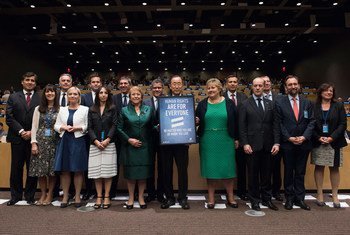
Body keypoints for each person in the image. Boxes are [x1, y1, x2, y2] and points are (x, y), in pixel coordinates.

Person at [196, 78, 239, 209]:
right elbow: (197, 122)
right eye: (208, 88)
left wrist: (236, 138)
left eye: (213, 87)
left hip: (226, 139)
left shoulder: (230, 103)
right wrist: (196, 121)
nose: (210, 90)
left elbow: (235, 122)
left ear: (220, 89)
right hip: (208, 140)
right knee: (211, 170)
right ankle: (211, 198)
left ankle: (230, 197)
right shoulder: (202, 104)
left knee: (228, 169)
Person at [239, 77, 280, 211]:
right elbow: (242, 126)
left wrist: (277, 142)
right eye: (255, 86)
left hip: (268, 145)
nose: (257, 88)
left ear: (264, 87)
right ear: (252, 87)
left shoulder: (271, 103)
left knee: (267, 175)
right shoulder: (245, 104)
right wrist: (245, 143)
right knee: (252, 175)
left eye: (260, 86)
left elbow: (275, 125)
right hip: (252, 145)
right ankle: (254, 200)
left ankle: (267, 199)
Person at [275, 75, 315, 210]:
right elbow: (279, 123)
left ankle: (300, 199)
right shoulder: (280, 102)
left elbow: (312, 122)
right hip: (288, 144)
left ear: (299, 86)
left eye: (295, 84)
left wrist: (304, 137)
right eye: (290, 84)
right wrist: (289, 138)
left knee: (300, 172)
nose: (293, 86)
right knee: (288, 172)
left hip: (304, 143)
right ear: (286, 87)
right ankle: (289, 199)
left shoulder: (307, 103)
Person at [6, 72, 40, 206]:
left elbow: (41, 118)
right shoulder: (13, 97)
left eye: (32, 80)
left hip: (34, 138)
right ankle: (15, 196)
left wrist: (31, 132)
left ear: (35, 83)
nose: (30, 82)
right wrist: (21, 131)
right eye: (27, 80)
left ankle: (30, 196)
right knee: (16, 168)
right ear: (22, 82)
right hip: (17, 137)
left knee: (32, 168)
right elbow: (9, 117)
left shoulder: (40, 97)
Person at [117, 86, 154, 209]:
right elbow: (119, 128)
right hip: (130, 147)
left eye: (138, 94)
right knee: (131, 175)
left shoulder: (149, 109)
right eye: (133, 94)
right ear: (130, 97)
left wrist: (162, 128)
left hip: (145, 147)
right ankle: (131, 197)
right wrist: (129, 139)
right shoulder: (123, 110)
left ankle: (141, 197)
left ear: (142, 96)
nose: (136, 96)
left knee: (143, 175)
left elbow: (153, 126)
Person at [311, 83, 347, 208]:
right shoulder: (314, 106)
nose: (329, 93)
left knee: (334, 168)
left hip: (335, 142)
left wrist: (332, 138)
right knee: (319, 167)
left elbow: (343, 124)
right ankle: (320, 194)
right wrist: (317, 137)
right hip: (318, 141)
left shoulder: (338, 105)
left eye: (331, 91)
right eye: (326, 91)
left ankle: (335, 195)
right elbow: (310, 124)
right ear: (320, 92)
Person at [54, 86, 89, 208]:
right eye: (70, 94)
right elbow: (56, 126)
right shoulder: (62, 110)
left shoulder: (85, 109)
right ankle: (65, 196)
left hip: (78, 140)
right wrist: (63, 127)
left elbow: (87, 126)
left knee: (78, 170)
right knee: (65, 170)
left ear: (79, 96)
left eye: (75, 94)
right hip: (65, 140)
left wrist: (78, 128)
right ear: (67, 96)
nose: (73, 96)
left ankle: (78, 195)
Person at [160, 75, 190, 210]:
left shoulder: (188, 101)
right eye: (174, 84)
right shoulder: (164, 101)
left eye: (179, 83)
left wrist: (195, 122)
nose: (177, 86)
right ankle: (170, 198)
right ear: (170, 86)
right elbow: (156, 122)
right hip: (167, 142)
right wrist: (159, 126)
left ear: (182, 85)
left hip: (182, 143)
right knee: (167, 171)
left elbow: (192, 119)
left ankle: (183, 198)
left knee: (182, 171)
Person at [29, 84, 59, 206]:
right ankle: (42, 193)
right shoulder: (38, 108)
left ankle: (50, 194)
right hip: (40, 141)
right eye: (47, 92)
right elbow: (34, 127)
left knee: (52, 171)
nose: (50, 93)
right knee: (40, 171)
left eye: (52, 91)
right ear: (44, 94)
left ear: (55, 94)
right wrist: (34, 143)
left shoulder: (60, 109)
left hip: (54, 141)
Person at [88, 86, 118, 209]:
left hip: (108, 144)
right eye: (101, 92)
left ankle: (106, 196)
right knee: (97, 173)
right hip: (95, 145)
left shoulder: (113, 108)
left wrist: (107, 139)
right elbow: (89, 127)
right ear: (97, 95)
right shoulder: (92, 109)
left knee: (107, 172)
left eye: (106, 93)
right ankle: (99, 196)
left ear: (108, 95)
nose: (103, 95)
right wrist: (95, 140)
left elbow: (115, 125)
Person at [223, 75, 248, 201]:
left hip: (241, 137)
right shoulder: (221, 97)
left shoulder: (244, 97)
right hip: (225, 137)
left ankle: (242, 191)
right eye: (230, 82)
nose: (232, 84)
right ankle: (227, 191)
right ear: (226, 83)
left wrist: (239, 138)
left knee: (241, 166)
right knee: (227, 165)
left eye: (235, 82)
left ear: (237, 84)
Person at [143, 78, 165, 203]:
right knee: (149, 166)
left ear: (162, 89)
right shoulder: (145, 103)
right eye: (155, 88)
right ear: (151, 89)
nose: (157, 90)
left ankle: (160, 193)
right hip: (149, 138)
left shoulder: (167, 101)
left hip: (164, 139)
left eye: (159, 88)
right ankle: (150, 193)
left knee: (162, 167)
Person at [81, 72, 103, 200]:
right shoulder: (85, 98)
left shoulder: (105, 96)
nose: (96, 84)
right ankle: (89, 190)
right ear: (90, 84)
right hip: (88, 136)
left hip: (104, 135)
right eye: (93, 82)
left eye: (98, 82)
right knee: (89, 164)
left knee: (102, 164)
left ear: (101, 84)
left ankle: (100, 191)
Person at [261, 75, 283, 202]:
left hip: (276, 137)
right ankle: (265, 191)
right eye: (264, 82)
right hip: (261, 139)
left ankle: (276, 191)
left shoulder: (279, 98)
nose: (267, 83)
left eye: (268, 81)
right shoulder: (253, 98)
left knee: (276, 167)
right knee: (264, 168)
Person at [112, 76, 132, 198]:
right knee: (115, 164)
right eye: (121, 83)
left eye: (126, 83)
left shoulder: (136, 97)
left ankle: (133, 192)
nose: (123, 85)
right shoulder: (113, 98)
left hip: (132, 137)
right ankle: (112, 192)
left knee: (131, 164)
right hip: (116, 137)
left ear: (130, 84)